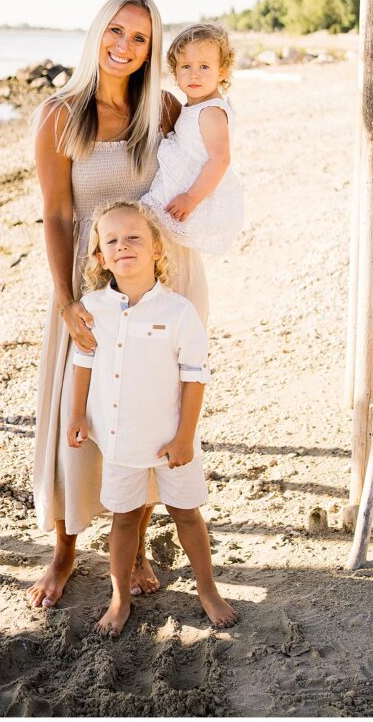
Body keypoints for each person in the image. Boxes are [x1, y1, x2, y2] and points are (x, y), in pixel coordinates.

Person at [29, 0, 209, 610]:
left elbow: (208, 154)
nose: (125, 47)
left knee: (150, 409)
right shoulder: (60, 115)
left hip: (160, 275)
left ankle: (128, 549)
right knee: (72, 413)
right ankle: (65, 548)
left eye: (140, 37)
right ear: (96, 33)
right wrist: (64, 298)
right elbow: (56, 213)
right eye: (116, 31)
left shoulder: (161, 109)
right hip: (89, 277)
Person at [67, 200, 237, 636]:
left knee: (186, 514)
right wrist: (78, 416)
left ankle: (207, 588)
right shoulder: (92, 307)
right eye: (113, 241)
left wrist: (185, 438)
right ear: (102, 258)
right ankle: (120, 597)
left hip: (171, 440)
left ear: (157, 249)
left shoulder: (178, 312)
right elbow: (83, 362)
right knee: (124, 518)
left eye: (135, 237)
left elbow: (195, 378)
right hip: (121, 441)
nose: (124, 246)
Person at [142, 22, 243, 255]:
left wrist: (191, 198)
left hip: (193, 189)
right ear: (175, 72)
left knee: (147, 224)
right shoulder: (198, 106)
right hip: (185, 181)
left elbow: (220, 160)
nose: (194, 74)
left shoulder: (210, 112)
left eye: (204, 66)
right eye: (186, 66)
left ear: (222, 71)